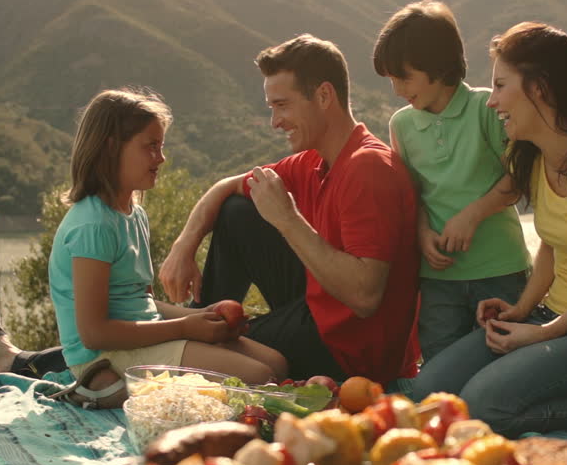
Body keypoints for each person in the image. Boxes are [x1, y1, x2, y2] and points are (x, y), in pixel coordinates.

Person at [411, 22, 567, 437]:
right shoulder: (535, 156)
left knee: (482, 408)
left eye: (500, 85)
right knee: (430, 393)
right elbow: (552, 245)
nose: (491, 102)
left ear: (539, 88)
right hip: (557, 318)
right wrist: (523, 309)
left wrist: (544, 333)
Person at [158, 34, 421, 386]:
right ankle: (206, 320)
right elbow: (223, 187)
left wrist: (286, 218)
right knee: (237, 211)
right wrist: (183, 248)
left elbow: (365, 297)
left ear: (324, 96)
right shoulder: (315, 160)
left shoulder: (368, 167)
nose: (275, 121)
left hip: (350, 352)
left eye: (282, 105)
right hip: (319, 309)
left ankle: (202, 335)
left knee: (197, 349)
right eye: (272, 108)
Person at [45, 88, 287, 408]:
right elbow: (94, 334)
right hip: (105, 357)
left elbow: (142, 302)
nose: (161, 158)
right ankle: (100, 386)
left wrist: (199, 316)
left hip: (140, 342)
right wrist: (184, 328)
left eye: (161, 146)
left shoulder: (134, 215)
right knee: (257, 377)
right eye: (151, 147)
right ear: (111, 147)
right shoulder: (93, 224)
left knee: (278, 365)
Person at [372, 0, 530, 363]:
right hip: (438, 277)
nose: (397, 89)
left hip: (500, 269)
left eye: (404, 77)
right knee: (440, 373)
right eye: (391, 79)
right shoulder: (401, 124)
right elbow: (412, 193)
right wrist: (422, 232)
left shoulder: (485, 108)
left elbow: (517, 178)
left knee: (500, 365)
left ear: (437, 67)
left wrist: (472, 215)